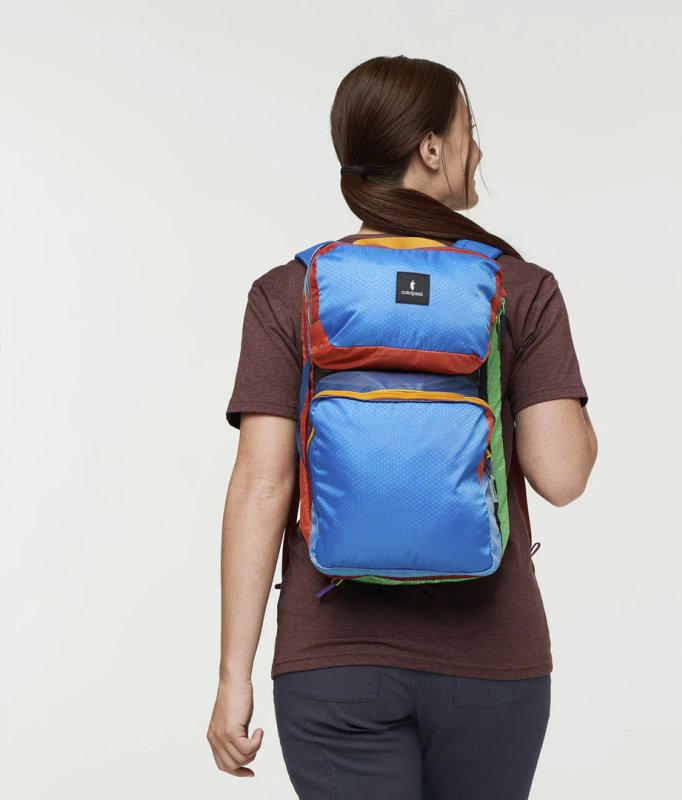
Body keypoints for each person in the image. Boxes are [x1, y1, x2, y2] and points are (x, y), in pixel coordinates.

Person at [207, 55, 598, 799]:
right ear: (432, 148)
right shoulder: (519, 288)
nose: (478, 149)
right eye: (469, 130)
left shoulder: (289, 292)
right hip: (493, 664)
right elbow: (564, 475)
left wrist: (234, 677)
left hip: (332, 665)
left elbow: (261, 487)